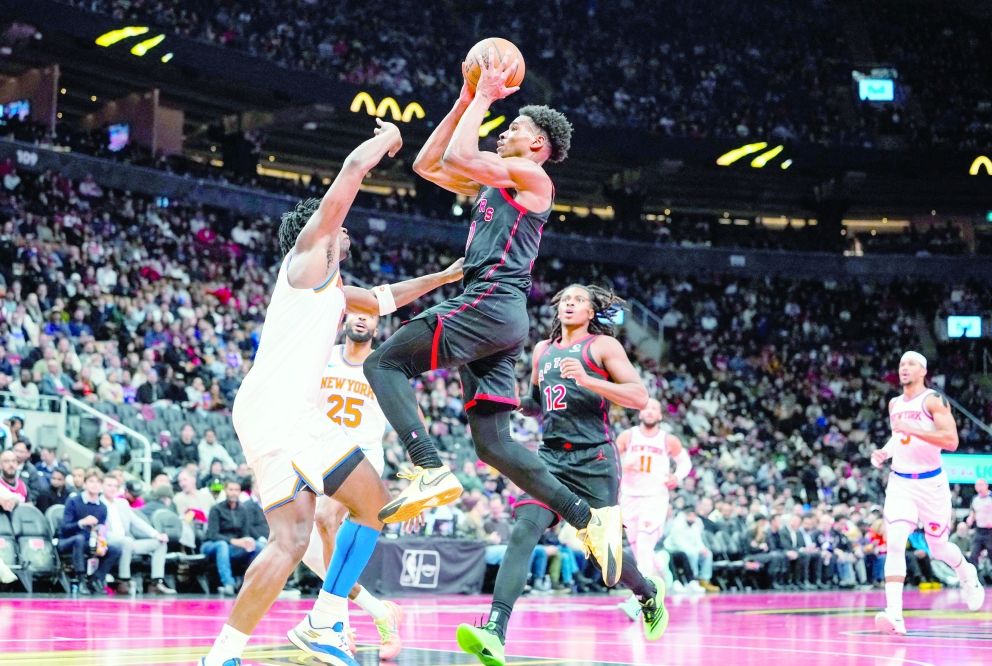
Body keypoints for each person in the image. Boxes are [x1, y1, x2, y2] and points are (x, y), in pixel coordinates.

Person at [200, 119, 463, 666]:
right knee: (360, 511)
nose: (347, 233)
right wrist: (389, 141)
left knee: (299, 537)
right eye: (341, 229)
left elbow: (385, 299)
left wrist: (444, 277)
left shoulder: (337, 292)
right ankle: (322, 621)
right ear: (322, 231)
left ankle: (228, 652)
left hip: (278, 414)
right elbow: (350, 170)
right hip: (281, 412)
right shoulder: (308, 258)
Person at [365, 47, 622, 591]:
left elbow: (461, 155)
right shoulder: (497, 180)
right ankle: (585, 518)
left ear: (537, 144)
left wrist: (482, 95)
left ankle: (427, 464)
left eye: (514, 127)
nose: (503, 132)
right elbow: (427, 164)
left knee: (385, 362)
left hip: (489, 301)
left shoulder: (532, 176)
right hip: (501, 319)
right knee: (494, 445)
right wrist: (463, 99)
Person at [459, 285, 667, 666]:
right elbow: (538, 405)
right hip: (551, 459)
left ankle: (648, 592)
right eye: (565, 300)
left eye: (578, 300)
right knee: (523, 531)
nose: (569, 304)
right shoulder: (542, 351)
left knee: (610, 563)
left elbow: (638, 397)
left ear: (590, 312)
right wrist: (509, 400)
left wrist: (589, 381)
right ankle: (494, 630)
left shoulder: (602, 347)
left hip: (595, 460)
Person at [300, 312, 405, 660]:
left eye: (370, 316)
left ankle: (335, 627)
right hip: (318, 453)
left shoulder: (383, 365)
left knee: (327, 519)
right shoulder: (323, 357)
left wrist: (419, 471)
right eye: (356, 313)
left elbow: (406, 414)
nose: (362, 320)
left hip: (362, 457)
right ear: (345, 319)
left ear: (378, 327)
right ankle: (379, 613)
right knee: (309, 551)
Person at [871, 351, 985, 636]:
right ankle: (894, 614)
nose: (904, 368)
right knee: (895, 541)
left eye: (910, 364)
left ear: (923, 370)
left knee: (938, 547)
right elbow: (900, 436)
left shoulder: (933, 400)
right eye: (901, 365)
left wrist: (913, 429)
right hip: (900, 482)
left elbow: (951, 440)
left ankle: (967, 574)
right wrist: (886, 451)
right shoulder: (895, 403)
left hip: (931, 483)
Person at [617, 399, 691, 579]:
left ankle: (644, 595)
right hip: (629, 496)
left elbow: (685, 462)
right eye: (646, 408)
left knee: (643, 541)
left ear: (659, 415)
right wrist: (622, 465)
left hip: (655, 497)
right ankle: (660, 565)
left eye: (654, 409)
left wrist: (677, 476)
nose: (649, 411)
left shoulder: (668, 439)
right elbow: (611, 458)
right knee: (637, 546)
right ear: (640, 413)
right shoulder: (628, 436)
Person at [101, 472, 175, 595]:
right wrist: (124, 540)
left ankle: (156, 582)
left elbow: (137, 522)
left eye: (115, 486)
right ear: (102, 486)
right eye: (109, 485)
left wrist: (155, 534)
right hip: (108, 541)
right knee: (127, 542)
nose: (112, 488)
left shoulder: (122, 503)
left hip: (128, 542)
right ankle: (123, 581)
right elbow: (101, 529)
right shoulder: (98, 504)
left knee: (160, 543)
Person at [57, 467, 123, 595]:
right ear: (85, 484)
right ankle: (81, 579)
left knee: (115, 549)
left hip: (90, 540)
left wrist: (102, 543)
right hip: (68, 540)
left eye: (98, 482)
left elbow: (101, 529)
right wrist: (82, 522)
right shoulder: (74, 501)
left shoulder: (102, 507)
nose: (95, 485)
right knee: (79, 539)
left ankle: (95, 579)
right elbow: (65, 527)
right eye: (92, 481)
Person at [202, 479, 265, 595]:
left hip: (233, 546)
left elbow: (245, 533)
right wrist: (235, 541)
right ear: (225, 490)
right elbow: (212, 534)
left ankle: (247, 582)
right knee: (222, 545)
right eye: (231, 489)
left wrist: (248, 540)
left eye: (237, 490)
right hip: (211, 545)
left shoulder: (243, 510)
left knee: (259, 547)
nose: (234, 493)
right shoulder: (216, 509)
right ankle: (228, 583)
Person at [967, 478, 992, 568]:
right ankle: (974, 578)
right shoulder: (975, 499)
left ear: (986, 485)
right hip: (979, 530)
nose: (979, 487)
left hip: (990, 531)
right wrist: (971, 518)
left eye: (981, 485)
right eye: (977, 485)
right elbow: (973, 512)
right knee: (973, 555)